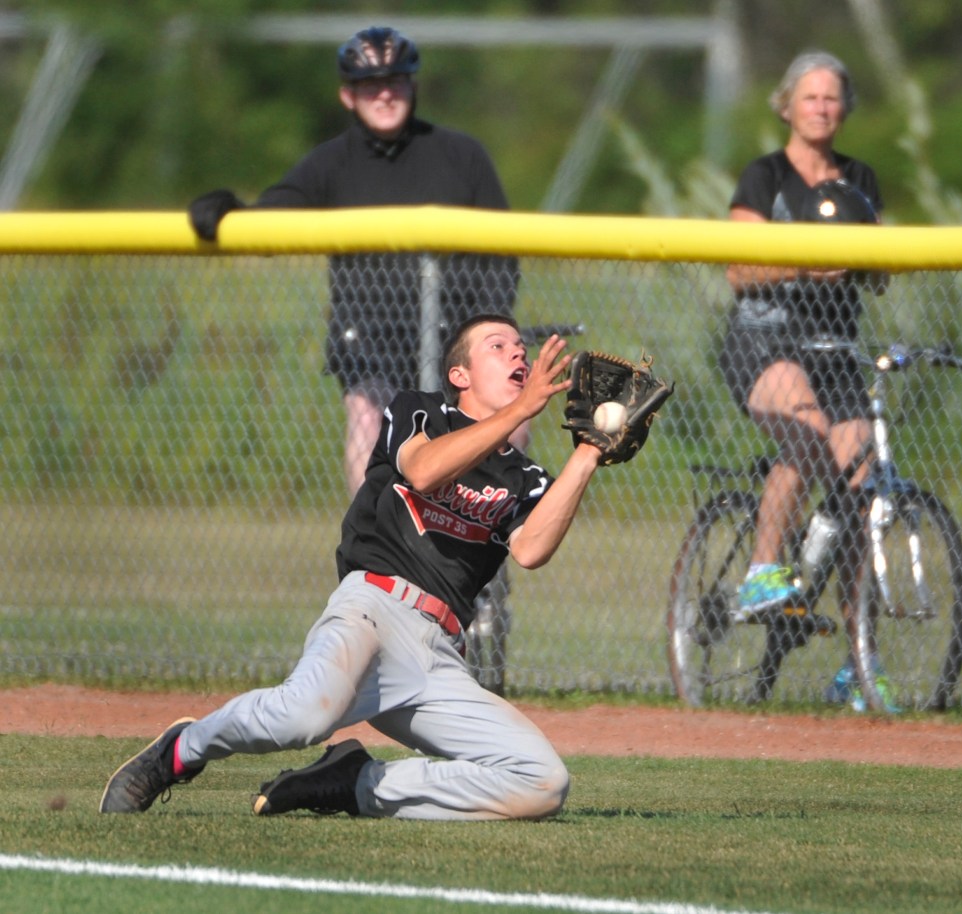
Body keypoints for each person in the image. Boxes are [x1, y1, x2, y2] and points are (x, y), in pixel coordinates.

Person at [100, 316, 605, 820]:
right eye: (498, 346)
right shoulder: (419, 411)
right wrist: (521, 407)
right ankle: (181, 750)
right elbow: (425, 471)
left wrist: (588, 453)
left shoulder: (526, 478)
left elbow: (532, 549)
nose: (519, 355)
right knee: (302, 717)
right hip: (373, 612)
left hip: (438, 655)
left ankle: (355, 782)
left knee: (542, 782)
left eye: (521, 347)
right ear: (460, 376)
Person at [188, 26, 521, 496]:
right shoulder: (331, 163)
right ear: (348, 95)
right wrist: (232, 212)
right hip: (372, 342)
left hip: (458, 337)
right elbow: (275, 219)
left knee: (508, 426)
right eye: (370, 85)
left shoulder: (461, 155)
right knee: (371, 422)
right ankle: (377, 554)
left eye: (396, 81)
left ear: (414, 86)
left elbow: (502, 256)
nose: (384, 94)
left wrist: (489, 336)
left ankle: (488, 561)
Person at [717, 50, 890, 707]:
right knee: (807, 432)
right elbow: (739, 270)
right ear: (786, 105)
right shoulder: (764, 177)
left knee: (861, 481)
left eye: (832, 98)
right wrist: (804, 263)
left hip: (835, 347)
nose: (821, 108)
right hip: (765, 342)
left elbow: (880, 271)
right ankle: (764, 570)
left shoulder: (860, 179)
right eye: (810, 97)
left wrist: (862, 260)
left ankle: (858, 661)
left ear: (845, 109)